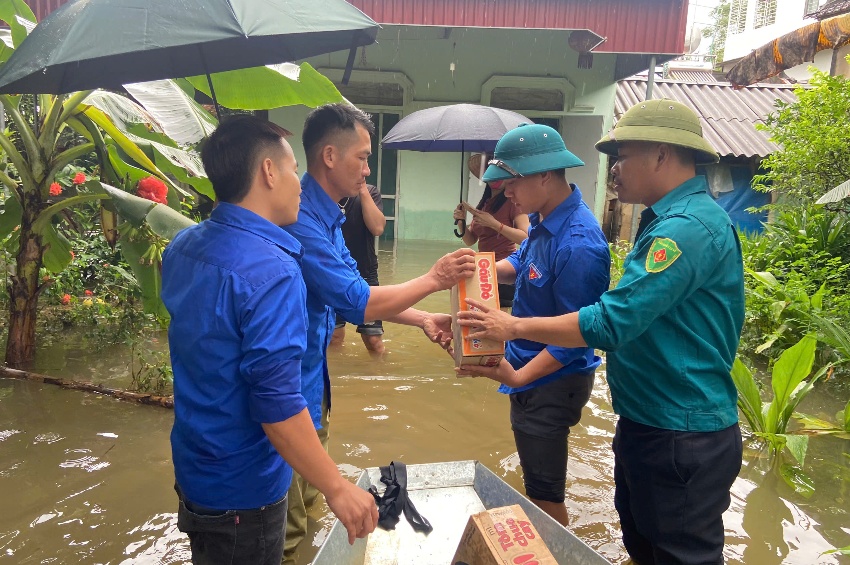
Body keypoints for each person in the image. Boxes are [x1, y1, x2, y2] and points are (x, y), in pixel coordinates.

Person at [458, 100, 745, 565]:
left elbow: (609, 320)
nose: (613, 171)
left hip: (680, 430)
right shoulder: (661, 223)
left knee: (679, 554)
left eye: (622, 157)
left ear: (660, 154)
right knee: (644, 546)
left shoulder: (685, 231)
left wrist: (511, 326)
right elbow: (530, 269)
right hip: (650, 421)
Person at [161, 115, 377, 565]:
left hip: (196, 468)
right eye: (294, 168)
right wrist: (338, 487)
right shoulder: (273, 272)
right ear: (267, 172)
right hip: (247, 489)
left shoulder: (182, 247)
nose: (301, 183)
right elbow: (277, 403)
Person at [282, 103, 475, 564]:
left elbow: (358, 289)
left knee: (306, 510)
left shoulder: (328, 213)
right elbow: (359, 303)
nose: (368, 170)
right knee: (287, 530)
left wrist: (424, 318)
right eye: (363, 158)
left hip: (312, 384)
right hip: (286, 393)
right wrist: (435, 278)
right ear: (329, 156)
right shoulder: (302, 220)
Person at [455, 124, 610, 526]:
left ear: (546, 175)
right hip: (529, 368)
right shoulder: (545, 221)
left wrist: (520, 378)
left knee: (545, 493)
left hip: (551, 378)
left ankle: (556, 546)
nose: (507, 193)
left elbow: (575, 339)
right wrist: (479, 272)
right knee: (537, 478)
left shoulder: (579, 244)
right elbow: (521, 266)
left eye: (514, 183)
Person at [453, 153, 530, 307]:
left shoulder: (512, 202)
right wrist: (461, 222)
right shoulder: (484, 204)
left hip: (505, 271)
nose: (494, 178)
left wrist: (495, 224)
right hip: (483, 270)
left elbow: (526, 237)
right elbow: (471, 240)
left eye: (498, 174)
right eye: (490, 173)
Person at [330, 183, 386, 355]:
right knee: (334, 338)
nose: (365, 169)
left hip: (365, 274)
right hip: (332, 275)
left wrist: (361, 190)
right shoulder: (326, 192)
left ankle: (380, 376)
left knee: (373, 340)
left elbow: (377, 228)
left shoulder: (369, 192)